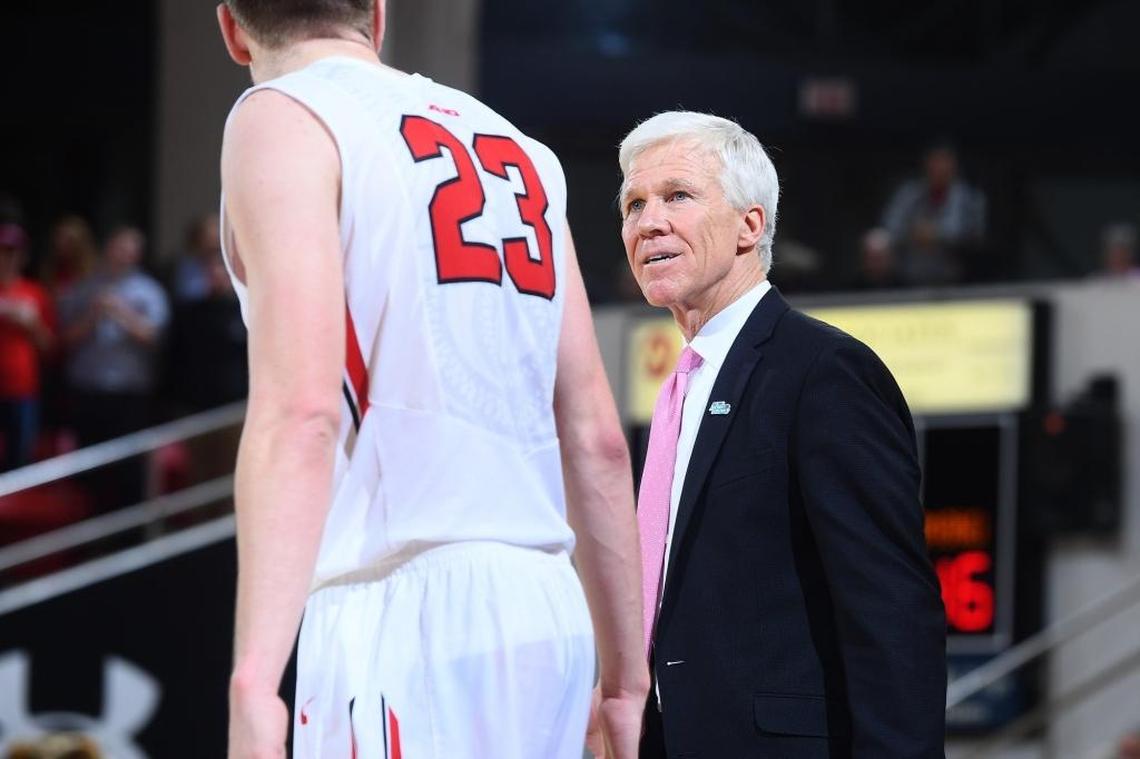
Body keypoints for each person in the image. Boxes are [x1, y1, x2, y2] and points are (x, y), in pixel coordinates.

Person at [214, 2, 647, 758]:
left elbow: (305, 412)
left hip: (403, 615)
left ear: (231, 28)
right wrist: (627, 684)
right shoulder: (521, 150)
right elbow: (597, 438)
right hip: (547, 612)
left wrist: (254, 681)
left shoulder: (280, 116)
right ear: (378, 15)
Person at [618, 111, 947, 758]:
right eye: (633, 204)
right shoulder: (676, 391)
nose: (648, 221)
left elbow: (891, 612)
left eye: (677, 195)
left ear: (751, 224)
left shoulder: (823, 372)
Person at [881, 140, 986, 286]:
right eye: (935, 161)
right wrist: (912, 233)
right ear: (926, 164)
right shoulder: (908, 194)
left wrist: (938, 235)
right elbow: (888, 230)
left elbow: (977, 238)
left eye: (945, 161)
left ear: (954, 165)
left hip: (957, 281)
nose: (940, 167)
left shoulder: (970, 198)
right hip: (909, 279)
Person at [0, 223, 55, 471]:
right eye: (3, 251)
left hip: (22, 389)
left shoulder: (35, 293)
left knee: (19, 461)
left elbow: (49, 345)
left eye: (14, 252)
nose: (8, 258)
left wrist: (31, 323)